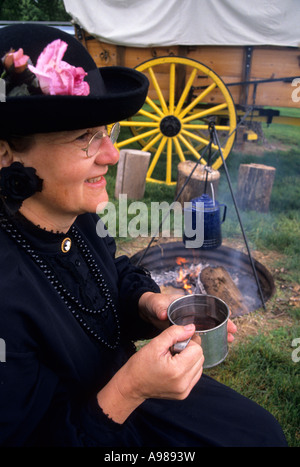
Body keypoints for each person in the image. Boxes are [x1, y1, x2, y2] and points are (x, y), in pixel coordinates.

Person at [0, 24, 287, 447]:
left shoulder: (77, 218)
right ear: (5, 152)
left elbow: (110, 275)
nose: (111, 155)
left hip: (133, 392)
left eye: (107, 131)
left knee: (261, 435)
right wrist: (130, 388)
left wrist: (148, 304)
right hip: (95, 424)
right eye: (84, 138)